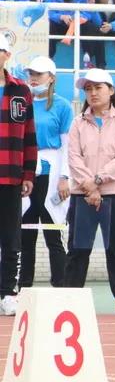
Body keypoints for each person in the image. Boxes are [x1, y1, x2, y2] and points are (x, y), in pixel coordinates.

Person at [64, 68, 115, 316]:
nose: (93, 93)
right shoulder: (77, 122)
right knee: (78, 249)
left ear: (111, 90)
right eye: (88, 89)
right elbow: (74, 158)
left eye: (98, 88)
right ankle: (70, 299)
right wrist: (89, 186)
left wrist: (97, 180)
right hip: (82, 194)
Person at [19, 56, 71, 291]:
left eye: (39, 74)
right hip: (26, 170)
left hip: (53, 171)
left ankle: (60, 286)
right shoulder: (22, 104)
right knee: (25, 234)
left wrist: (65, 177)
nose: (33, 78)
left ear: (51, 78)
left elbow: (68, 146)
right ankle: (23, 287)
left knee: (53, 233)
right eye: (31, 73)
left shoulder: (62, 106)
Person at [0, 35, 36, 316]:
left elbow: (29, 136)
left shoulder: (21, 90)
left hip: (11, 176)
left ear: (7, 55)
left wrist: (28, 174)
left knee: (11, 238)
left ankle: (8, 293)